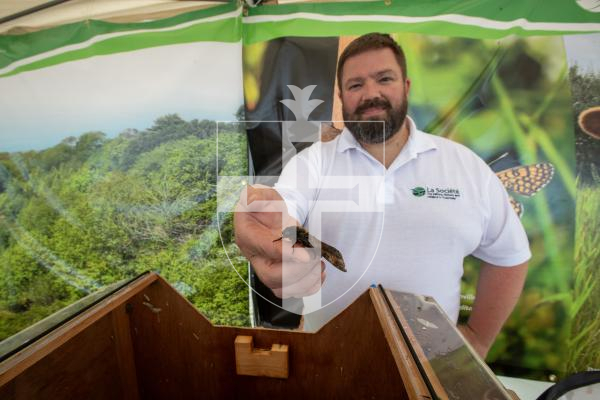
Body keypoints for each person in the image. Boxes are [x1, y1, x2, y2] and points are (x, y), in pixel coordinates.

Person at [234, 33, 529, 358]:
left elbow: (509, 255)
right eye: (355, 85)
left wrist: (478, 339)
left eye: (384, 79)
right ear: (341, 97)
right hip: (329, 360)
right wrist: (263, 220)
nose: (370, 93)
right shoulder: (312, 163)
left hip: (432, 367)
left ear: (406, 86)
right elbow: (283, 207)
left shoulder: (464, 166)